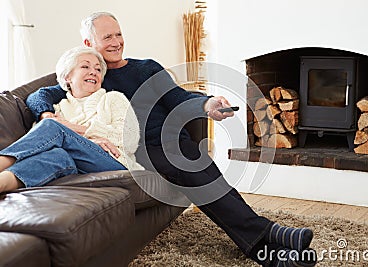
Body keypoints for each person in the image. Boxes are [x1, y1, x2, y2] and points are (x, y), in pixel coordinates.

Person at [26, 12, 317, 266]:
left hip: (172, 140)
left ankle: (265, 246)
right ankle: (268, 237)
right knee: (190, 164)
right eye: (107, 37)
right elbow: (40, 95)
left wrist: (207, 105)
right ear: (90, 44)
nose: (116, 42)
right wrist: (46, 116)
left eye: (118, 34)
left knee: (195, 163)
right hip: (140, 150)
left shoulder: (146, 68)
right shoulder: (92, 74)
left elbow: (178, 98)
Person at [0, 46, 143, 193]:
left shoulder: (113, 98)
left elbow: (129, 139)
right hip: (73, 167)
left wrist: (73, 130)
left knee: (52, 125)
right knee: (57, 156)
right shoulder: (58, 109)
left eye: (98, 69)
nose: (93, 72)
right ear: (68, 77)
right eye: (85, 66)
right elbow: (37, 144)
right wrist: (88, 141)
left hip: (115, 163)